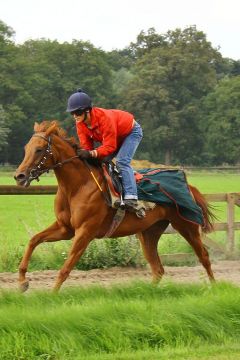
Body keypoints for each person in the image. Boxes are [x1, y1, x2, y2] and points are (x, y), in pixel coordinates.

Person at [66, 89, 144, 214]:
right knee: (101, 161)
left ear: (88, 110)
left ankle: (131, 196)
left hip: (131, 133)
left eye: (78, 112)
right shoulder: (80, 124)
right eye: (72, 113)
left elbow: (110, 146)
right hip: (115, 136)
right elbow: (87, 146)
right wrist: (87, 153)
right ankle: (115, 192)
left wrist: (92, 153)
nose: (75, 115)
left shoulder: (105, 118)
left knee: (122, 162)